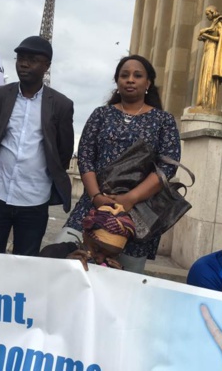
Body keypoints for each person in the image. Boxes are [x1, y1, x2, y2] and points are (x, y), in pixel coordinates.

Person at [61, 55, 181, 273]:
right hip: (94, 204)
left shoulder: (163, 120)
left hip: (137, 212)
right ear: (117, 81)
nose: (130, 80)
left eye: (137, 75)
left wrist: (130, 198)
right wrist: (97, 197)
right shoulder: (101, 115)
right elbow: (86, 157)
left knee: (125, 280)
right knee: (71, 264)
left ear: (148, 83)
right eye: (124, 75)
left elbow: (168, 166)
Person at [0, 35, 74, 256]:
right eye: (20, 58)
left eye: (32, 59)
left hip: (34, 198)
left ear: (46, 66)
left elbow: (63, 152)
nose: (24, 64)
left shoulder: (61, 105)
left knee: (26, 263)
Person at [40, 203, 135, 271]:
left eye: (110, 256)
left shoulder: (114, 271)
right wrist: (63, 267)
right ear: (85, 235)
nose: (100, 260)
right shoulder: (53, 254)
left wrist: (119, 281)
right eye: (96, 249)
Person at [196, 5, 222, 110]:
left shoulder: (221, 22)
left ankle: (209, 103)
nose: (207, 17)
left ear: (212, 12)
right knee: (205, 75)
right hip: (208, 51)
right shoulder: (214, 23)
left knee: (209, 76)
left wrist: (207, 35)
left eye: (208, 14)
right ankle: (203, 101)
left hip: (213, 52)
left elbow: (221, 39)